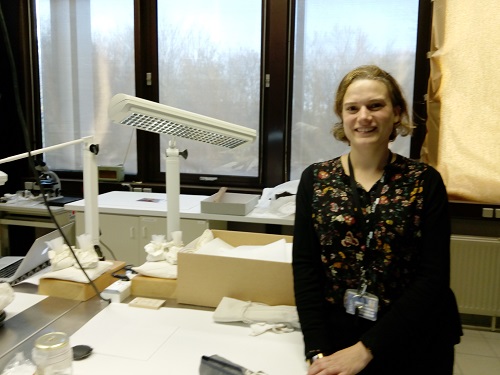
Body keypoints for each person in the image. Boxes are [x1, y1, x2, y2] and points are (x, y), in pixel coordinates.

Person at [292, 65, 462, 375]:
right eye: (352, 108)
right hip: (340, 333)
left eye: (375, 105)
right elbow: (306, 268)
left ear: (397, 113)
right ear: (342, 117)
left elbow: (433, 277)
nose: (363, 117)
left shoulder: (424, 181)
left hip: (415, 337)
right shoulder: (315, 179)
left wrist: (367, 348)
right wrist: (315, 348)